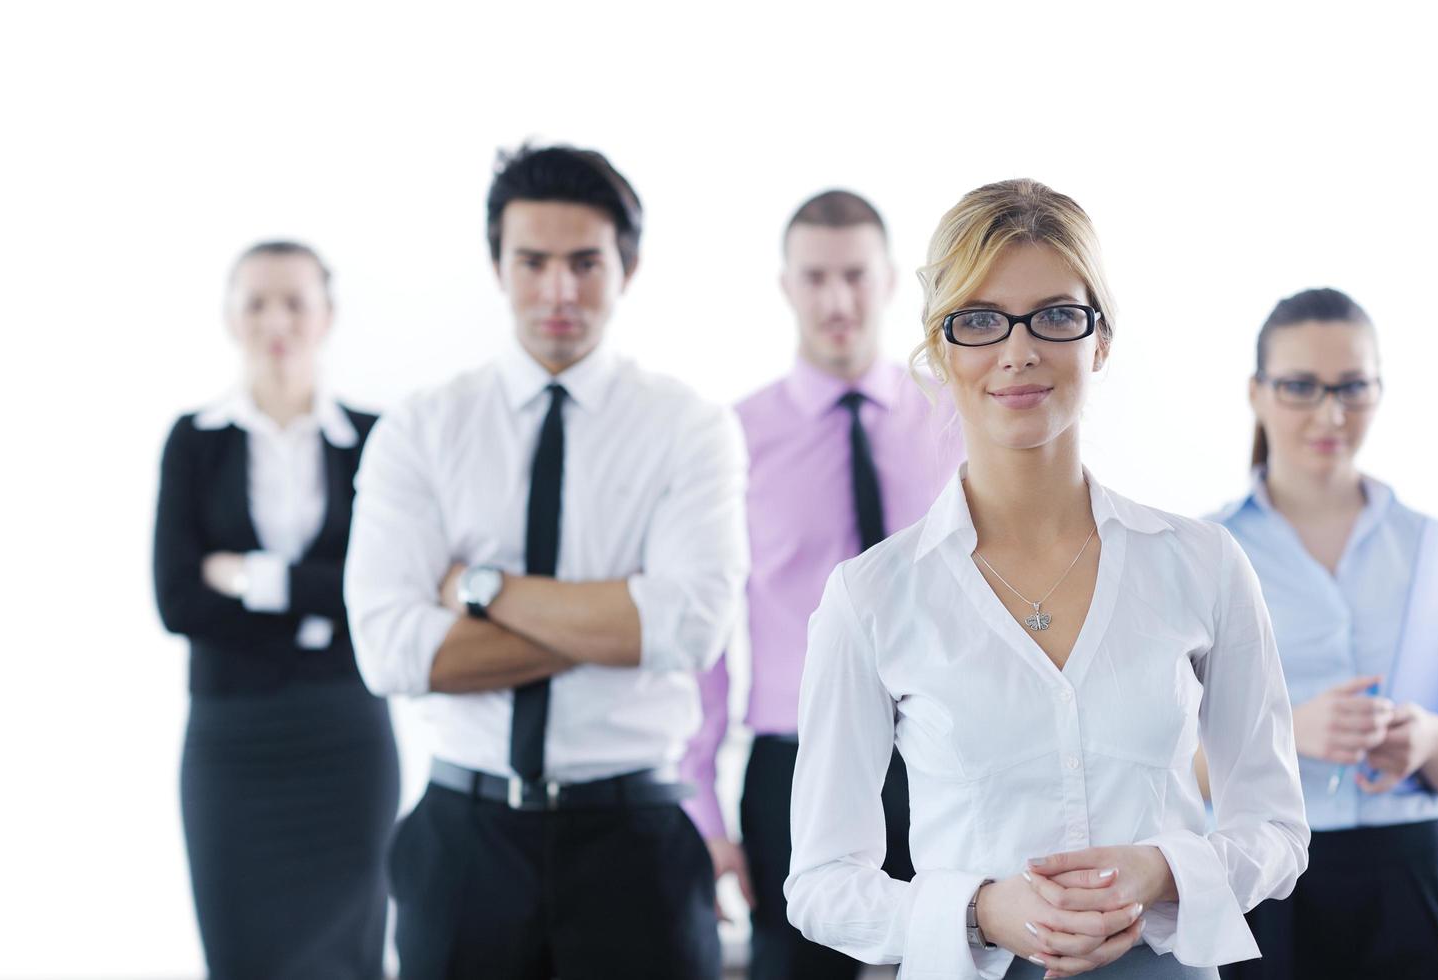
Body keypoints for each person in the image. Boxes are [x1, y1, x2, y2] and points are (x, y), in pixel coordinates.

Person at [784, 179, 1310, 980]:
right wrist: (982, 909)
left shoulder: (1203, 565)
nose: (1018, 350)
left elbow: (1275, 829)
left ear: (1100, 340)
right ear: (941, 346)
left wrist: (1160, 870)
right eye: (980, 320)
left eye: (1057, 316)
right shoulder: (872, 597)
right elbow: (820, 884)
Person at [344, 144, 748, 980]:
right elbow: (390, 651)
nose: (559, 291)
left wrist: (480, 594)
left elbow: (692, 627)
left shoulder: (689, 428)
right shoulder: (421, 429)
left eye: (585, 263)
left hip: (635, 835)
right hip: (464, 836)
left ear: (625, 269)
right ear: (498, 266)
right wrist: (623, 619)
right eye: (533, 262)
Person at [679, 189, 964, 979]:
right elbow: (706, 632)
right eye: (815, 278)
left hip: (947, 751)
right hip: (794, 763)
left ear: (889, 282)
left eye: (854, 276)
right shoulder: (732, 440)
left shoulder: (957, 423)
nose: (837, 300)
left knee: (963, 960)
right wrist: (702, 808)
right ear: (786, 287)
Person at [152, 241, 399, 979]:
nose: (276, 320)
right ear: (230, 317)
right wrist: (318, 593)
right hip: (233, 740)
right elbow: (177, 598)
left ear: (328, 315)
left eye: (295, 300)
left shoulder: (374, 439)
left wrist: (256, 582)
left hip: (344, 733)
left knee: (351, 952)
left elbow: (381, 589)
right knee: (240, 953)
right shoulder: (195, 442)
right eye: (255, 302)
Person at [1211, 288, 1438, 980]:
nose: (1330, 414)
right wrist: (1280, 733)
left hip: (1408, 874)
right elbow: (1156, 760)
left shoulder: (1434, 551)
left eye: (1353, 387)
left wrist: (1431, 739)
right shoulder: (1206, 552)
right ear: (1257, 393)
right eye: (1300, 388)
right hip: (1261, 880)